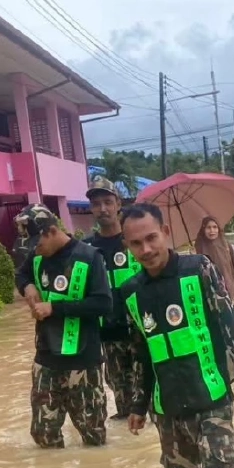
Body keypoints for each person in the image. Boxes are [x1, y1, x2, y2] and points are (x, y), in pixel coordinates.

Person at [120, 204, 234, 468]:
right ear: (127, 246)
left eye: (151, 238)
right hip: (168, 408)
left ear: (166, 233)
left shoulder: (199, 269)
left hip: (211, 397)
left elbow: (230, 325)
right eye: (136, 243)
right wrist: (138, 405)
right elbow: (141, 354)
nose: (146, 249)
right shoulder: (130, 292)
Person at [14, 204, 111, 449]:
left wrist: (54, 308)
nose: (35, 250)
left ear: (52, 231)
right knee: (43, 436)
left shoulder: (89, 257)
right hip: (46, 357)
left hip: (83, 359)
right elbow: (21, 274)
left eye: (38, 244)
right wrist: (27, 286)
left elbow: (103, 303)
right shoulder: (36, 255)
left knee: (94, 437)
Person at [82, 176, 141, 420]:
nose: (103, 209)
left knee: (148, 396)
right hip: (107, 334)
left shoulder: (136, 241)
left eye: (108, 202)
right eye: (97, 204)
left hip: (141, 330)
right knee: (122, 399)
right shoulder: (86, 249)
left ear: (118, 204)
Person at [193, 215, 234, 326]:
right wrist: (193, 258)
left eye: (215, 227)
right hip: (213, 297)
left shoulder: (225, 244)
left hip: (233, 293)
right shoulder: (198, 248)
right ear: (203, 229)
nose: (212, 231)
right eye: (208, 228)